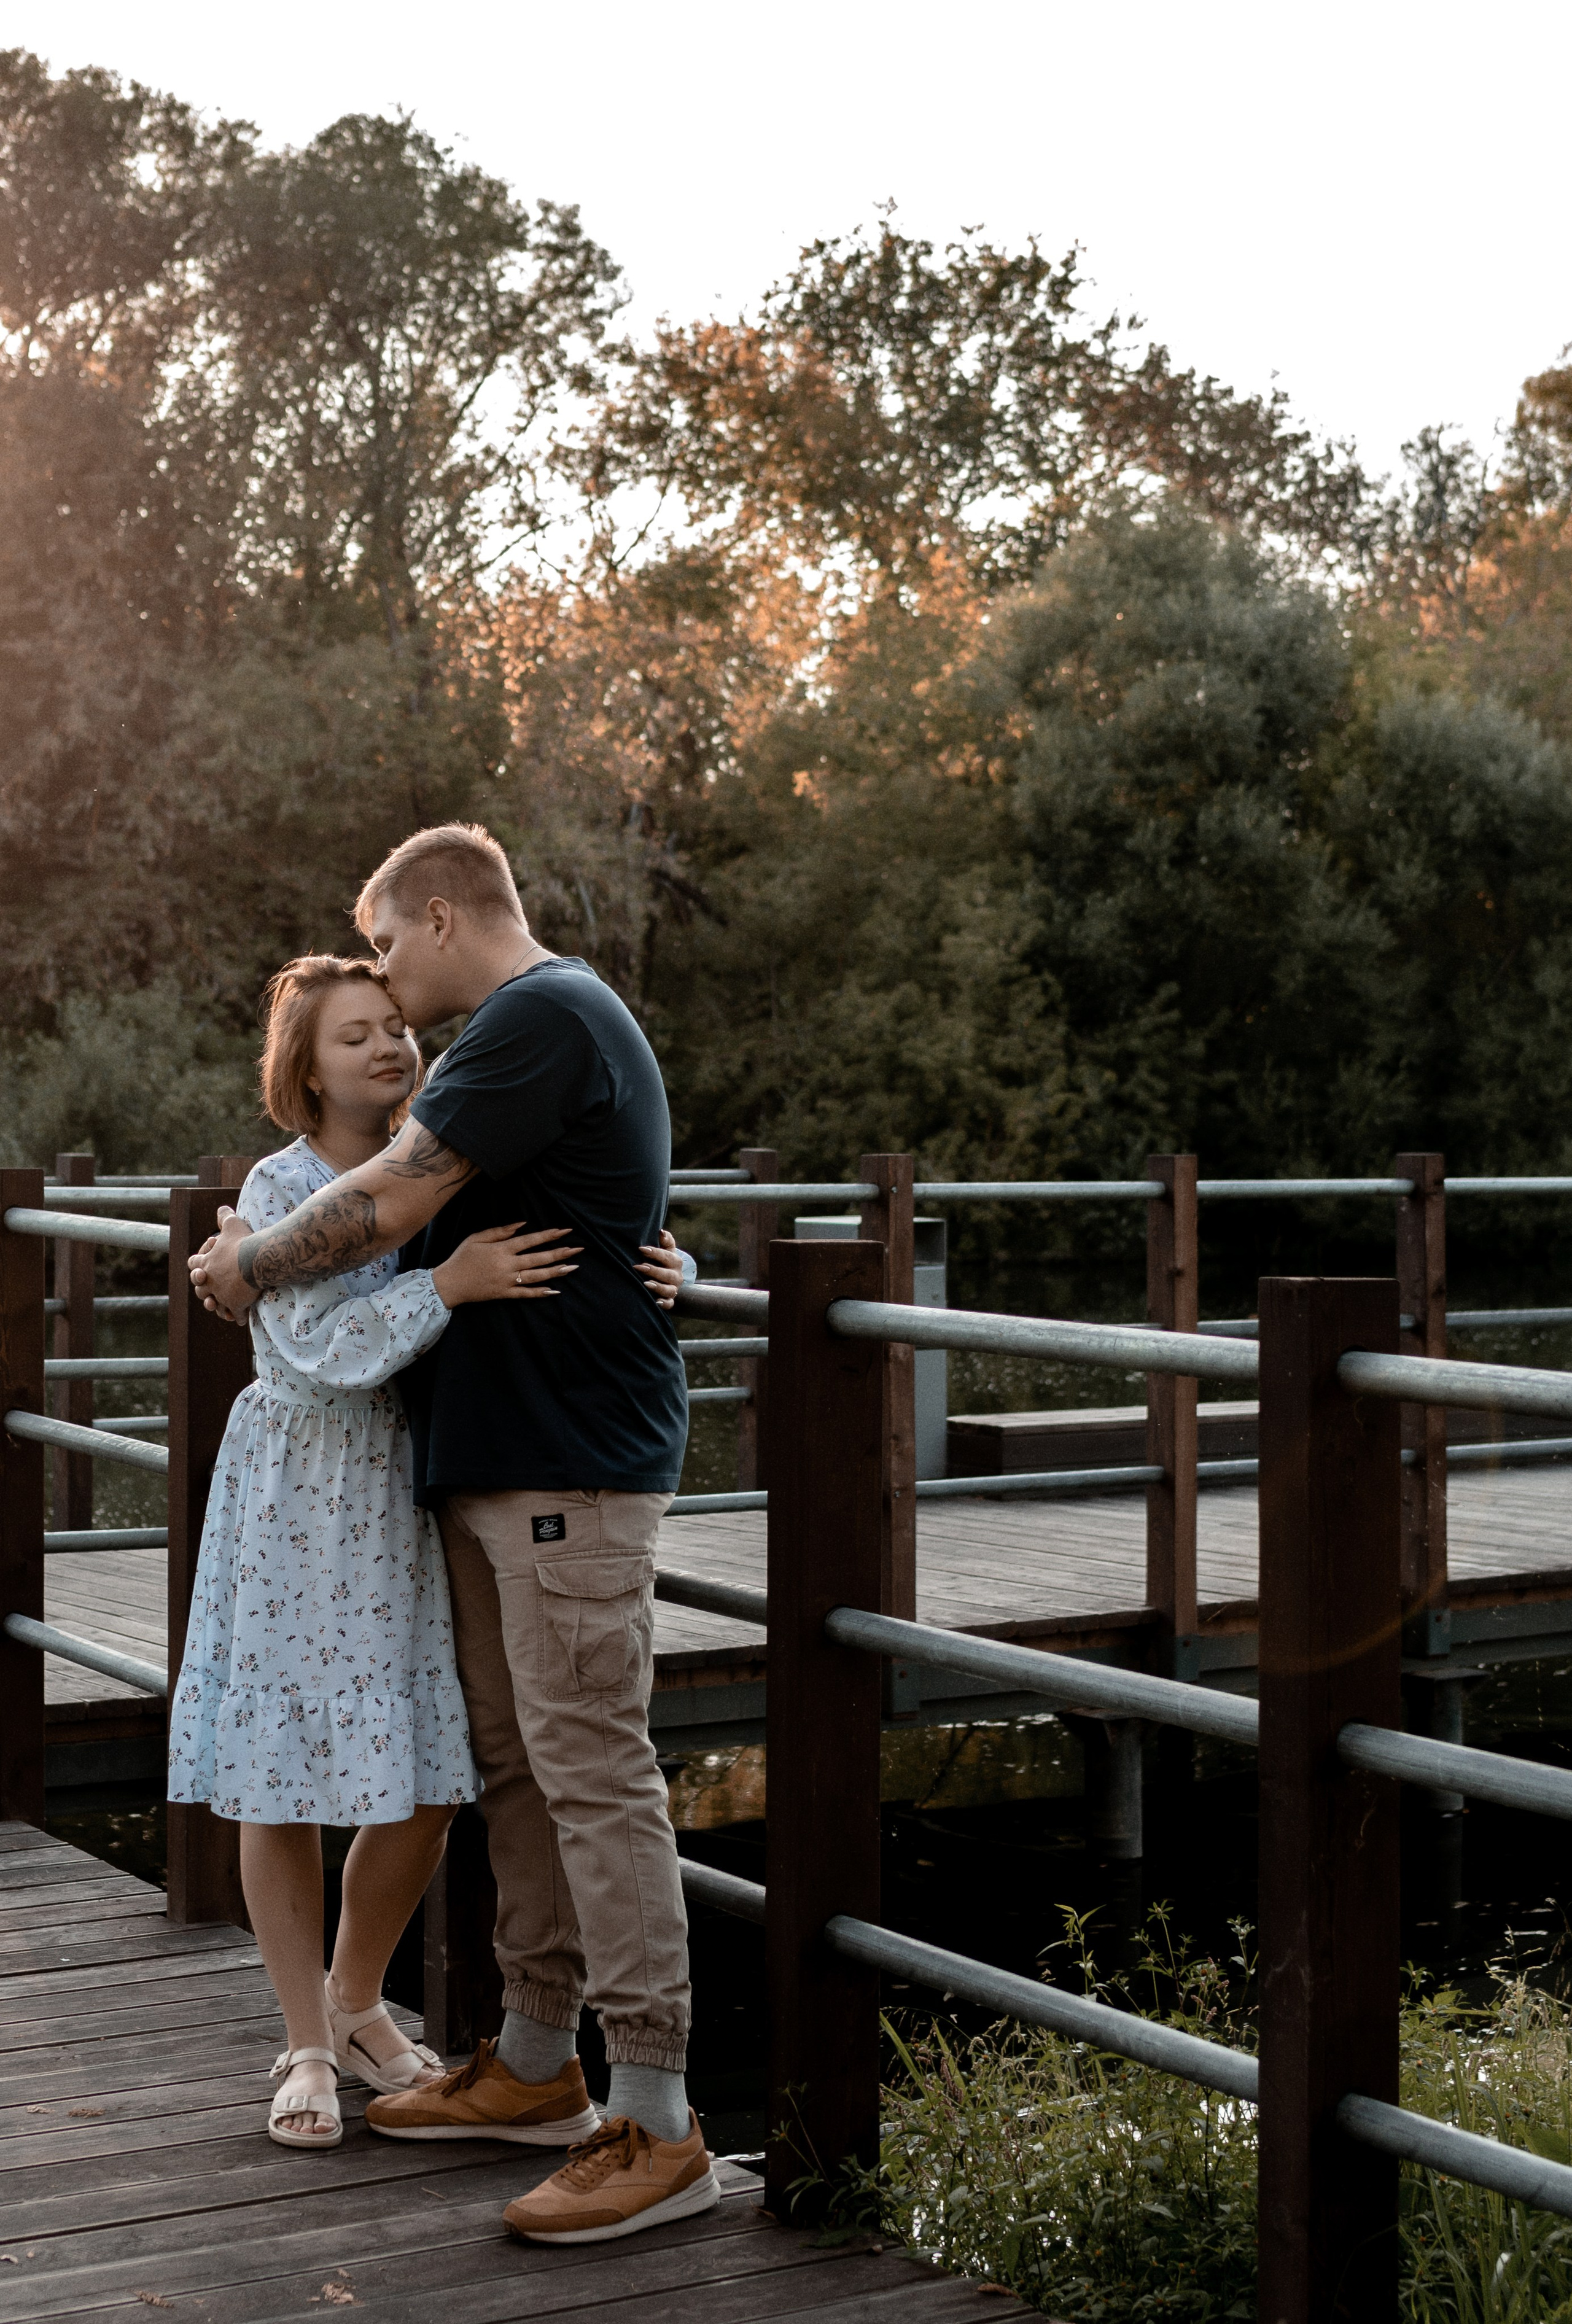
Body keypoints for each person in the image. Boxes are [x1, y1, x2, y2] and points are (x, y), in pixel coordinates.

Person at [189, 825, 717, 2244]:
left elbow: (396, 1201)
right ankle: (537, 2063)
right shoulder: (514, 1041)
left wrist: (243, 1262)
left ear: (438, 916)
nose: (385, 982)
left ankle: (657, 2119)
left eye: (385, 945)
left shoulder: (537, 1014)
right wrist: (660, 1247)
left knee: (592, 1773)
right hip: (490, 1470)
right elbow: (563, 1198)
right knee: (520, 1771)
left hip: (565, 1466)